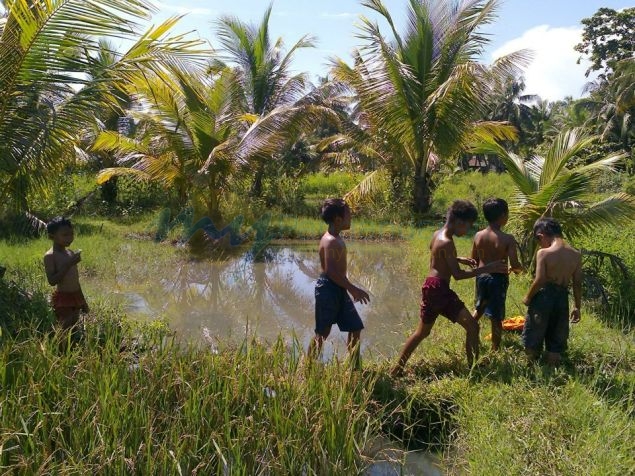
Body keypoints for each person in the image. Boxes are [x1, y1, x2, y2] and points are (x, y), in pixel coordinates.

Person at [391, 200, 508, 376]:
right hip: (440, 289)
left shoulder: (437, 234)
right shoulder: (447, 242)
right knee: (473, 327)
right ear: (460, 222)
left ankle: (396, 369)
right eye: (467, 227)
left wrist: (458, 258)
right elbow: (458, 275)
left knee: (422, 332)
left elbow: (436, 253)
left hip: (430, 286)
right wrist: (488, 268)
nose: (467, 231)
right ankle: (473, 369)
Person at [310, 198, 370, 367]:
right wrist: (353, 289)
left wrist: (348, 288)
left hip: (338, 288)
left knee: (355, 326)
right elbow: (330, 272)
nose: (350, 217)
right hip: (328, 289)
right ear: (338, 219)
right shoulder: (330, 241)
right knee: (322, 332)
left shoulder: (335, 238)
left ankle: (354, 367)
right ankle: (307, 366)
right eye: (348, 214)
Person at [522, 218, 582, 366]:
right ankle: (552, 367)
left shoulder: (544, 253)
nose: (539, 244)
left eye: (538, 240)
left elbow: (540, 279)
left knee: (534, 333)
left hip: (543, 297)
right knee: (556, 337)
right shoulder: (575, 255)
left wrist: (528, 297)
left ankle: (531, 367)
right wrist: (577, 307)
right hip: (562, 298)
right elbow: (577, 283)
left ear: (541, 236)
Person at [471, 198, 523, 351]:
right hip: (498, 280)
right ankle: (495, 349)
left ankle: (470, 330)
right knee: (496, 316)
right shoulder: (508, 239)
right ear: (502, 216)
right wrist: (519, 269)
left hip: (481, 277)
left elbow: (473, 260)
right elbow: (514, 264)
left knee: (480, 308)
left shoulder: (478, 235)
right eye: (507, 214)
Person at [44, 217, 89, 335]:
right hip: (63, 298)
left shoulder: (70, 253)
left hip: (75, 296)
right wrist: (69, 264)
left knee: (73, 327)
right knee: (62, 329)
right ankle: (54, 347)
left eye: (71, 234)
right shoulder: (50, 256)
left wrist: (83, 301)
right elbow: (52, 281)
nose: (70, 238)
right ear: (51, 236)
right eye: (65, 235)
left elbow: (75, 280)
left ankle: (70, 349)